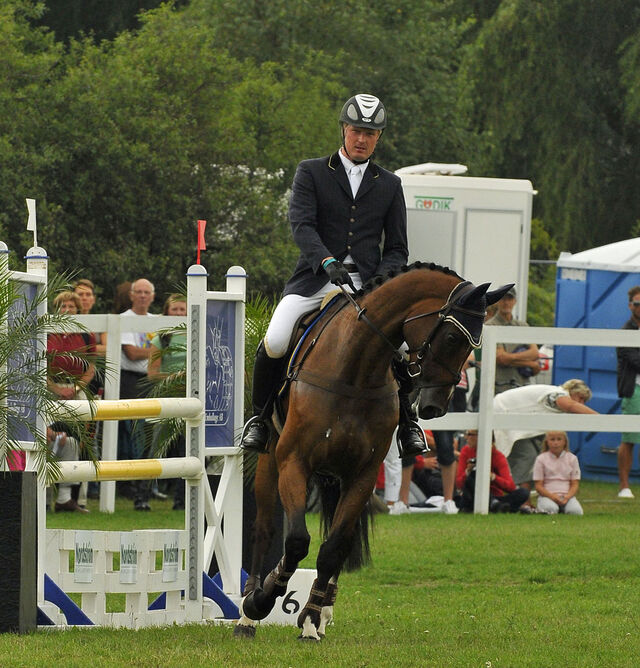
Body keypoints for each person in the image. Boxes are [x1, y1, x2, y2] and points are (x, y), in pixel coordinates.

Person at [239, 93, 426, 457]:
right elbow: (302, 226)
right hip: (316, 278)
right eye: (356, 130)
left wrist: (379, 283)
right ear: (343, 129)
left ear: (379, 137)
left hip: (367, 287)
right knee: (276, 340)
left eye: (370, 133)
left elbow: (397, 248)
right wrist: (326, 261)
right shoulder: (311, 171)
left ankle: (408, 423)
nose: (362, 139)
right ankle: (259, 419)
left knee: (405, 350)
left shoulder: (390, 184)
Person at [493, 379, 597, 495]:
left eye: (584, 401)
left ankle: (530, 493)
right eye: (580, 398)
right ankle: (522, 498)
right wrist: (600, 418)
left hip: (518, 423)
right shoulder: (557, 394)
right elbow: (570, 405)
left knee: (541, 456)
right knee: (527, 456)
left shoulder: (556, 401)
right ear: (572, 392)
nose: (581, 404)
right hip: (502, 414)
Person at [119, 278, 157, 511]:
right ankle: (131, 485)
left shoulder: (157, 321)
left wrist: (153, 353)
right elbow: (131, 353)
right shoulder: (124, 319)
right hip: (130, 380)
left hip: (152, 379)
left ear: (152, 296)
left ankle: (145, 488)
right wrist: (156, 351)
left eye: (147, 292)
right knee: (134, 433)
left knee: (151, 434)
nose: (143, 296)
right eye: (139, 292)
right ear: (132, 295)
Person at [148, 294, 187, 510]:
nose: (179, 314)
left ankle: (181, 500)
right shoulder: (161, 338)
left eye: (182, 309)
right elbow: (152, 374)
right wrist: (177, 378)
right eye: (175, 310)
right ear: (166, 312)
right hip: (167, 398)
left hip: (192, 398)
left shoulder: (199, 334)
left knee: (187, 450)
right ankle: (142, 497)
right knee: (157, 447)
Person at [456, 429, 530, 513]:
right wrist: (468, 471)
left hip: (495, 496)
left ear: (481, 437)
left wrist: (493, 477)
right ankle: (499, 506)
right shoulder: (466, 451)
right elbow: (459, 484)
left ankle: (496, 504)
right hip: (472, 497)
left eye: (470, 434)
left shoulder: (497, 456)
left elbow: (511, 486)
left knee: (524, 492)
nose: (466, 437)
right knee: (474, 474)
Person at [485, 286, 540, 394]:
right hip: (500, 387)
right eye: (503, 299)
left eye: (509, 298)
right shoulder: (490, 325)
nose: (506, 302)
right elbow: (501, 359)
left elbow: (535, 353)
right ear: (497, 301)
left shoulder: (522, 326)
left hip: (522, 387)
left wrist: (509, 358)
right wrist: (530, 364)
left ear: (515, 301)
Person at [615, 285, 640, 499]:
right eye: (637, 303)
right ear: (630, 305)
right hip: (635, 390)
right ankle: (624, 486)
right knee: (629, 438)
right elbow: (635, 361)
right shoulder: (625, 331)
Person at [533, 431, 583, 515]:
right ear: (547, 442)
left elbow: (575, 484)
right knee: (550, 508)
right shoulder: (541, 459)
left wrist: (567, 497)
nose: (556, 443)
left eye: (559, 439)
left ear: (565, 442)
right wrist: (553, 497)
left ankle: (564, 508)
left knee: (576, 512)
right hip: (547, 495)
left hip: (567, 496)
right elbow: (538, 486)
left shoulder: (572, 458)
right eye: (552, 439)